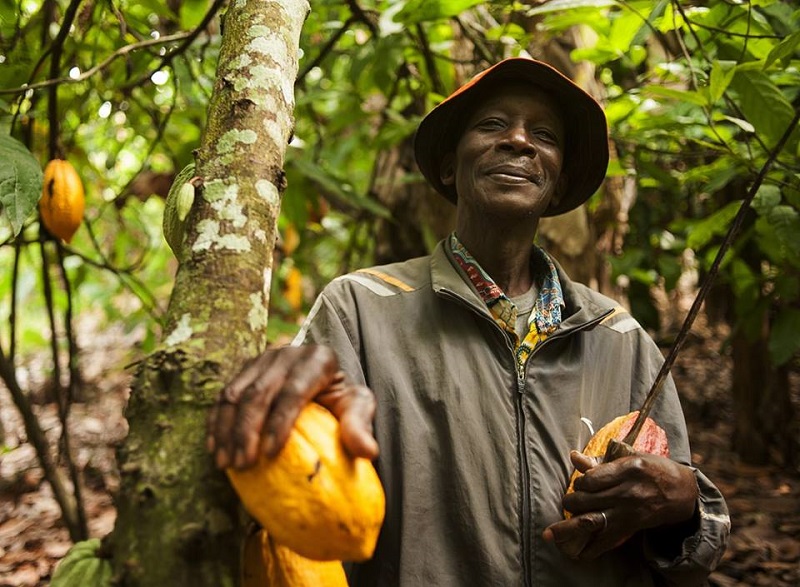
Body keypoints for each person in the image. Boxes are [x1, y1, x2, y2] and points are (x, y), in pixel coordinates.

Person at [207, 57, 730, 586]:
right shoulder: (360, 308)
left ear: (558, 182)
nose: (520, 141)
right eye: (493, 125)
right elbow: (287, 490)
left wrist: (685, 506)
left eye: (543, 134)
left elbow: (687, 550)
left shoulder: (619, 336)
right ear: (449, 167)